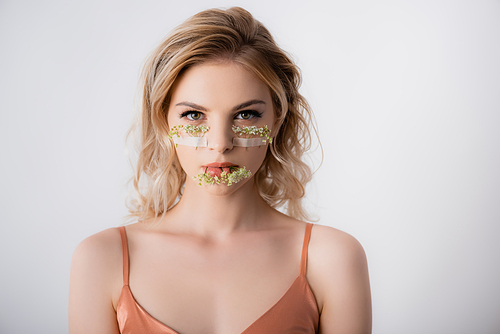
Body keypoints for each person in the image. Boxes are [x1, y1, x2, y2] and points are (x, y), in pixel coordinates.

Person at [69, 6, 371, 334]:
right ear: (163, 120)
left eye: (246, 115)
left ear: (277, 121)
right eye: (194, 116)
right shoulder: (102, 259)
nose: (220, 143)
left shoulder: (332, 259)